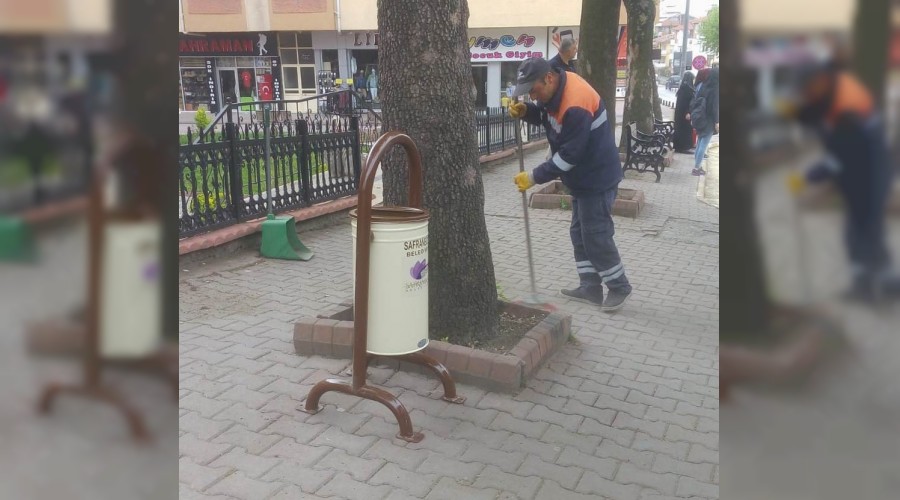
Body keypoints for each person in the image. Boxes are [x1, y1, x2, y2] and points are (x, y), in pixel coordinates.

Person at [508, 57, 632, 312]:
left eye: (533, 90)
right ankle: (590, 286)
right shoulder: (553, 92)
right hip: (583, 179)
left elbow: (569, 155)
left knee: (596, 235)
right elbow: (547, 116)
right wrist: (527, 112)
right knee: (579, 233)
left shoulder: (575, 102)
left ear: (549, 78)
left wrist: (533, 177)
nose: (532, 96)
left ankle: (619, 286)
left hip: (596, 179)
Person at [785, 62, 900, 302]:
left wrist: (806, 178)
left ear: (820, 81)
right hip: (863, 171)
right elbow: (819, 122)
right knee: (866, 230)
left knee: (864, 231)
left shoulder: (847, 109)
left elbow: (836, 159)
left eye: (807, 89)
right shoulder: (835, 94)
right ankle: (879, 283)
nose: (805, 94)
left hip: (869, 175)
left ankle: (872, 286)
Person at [689, 68, 718, 176]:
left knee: (700, 141)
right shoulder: (715, 89)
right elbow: (714, 107)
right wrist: (717, 121)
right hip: (708, 119)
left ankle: (698, 166)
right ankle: (696, 168)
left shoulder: (703, 86)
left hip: (700, 118)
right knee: (703, 144)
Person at [673, 70, 695, 153]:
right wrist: (688, 112)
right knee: (684, 130)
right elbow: (686, 102)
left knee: (681, 129)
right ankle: (683, 147)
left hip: (680, 113)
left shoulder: (683, 87)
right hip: (685, 114)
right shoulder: (687, 89)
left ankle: (679, 147)